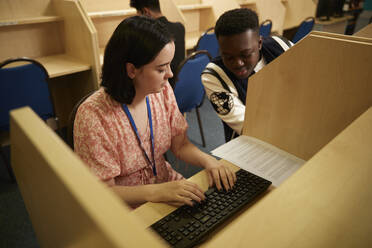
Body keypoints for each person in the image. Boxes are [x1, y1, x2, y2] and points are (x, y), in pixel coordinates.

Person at [74, 16, 236, 209]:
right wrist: (156, 192)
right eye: (161, 69)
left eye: (169, 65)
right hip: (125, 206)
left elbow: (181, 144)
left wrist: (210, 161)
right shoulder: (93, 115)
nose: (170, 74)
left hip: (166, 186)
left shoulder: (161, 90)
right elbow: (103, 191)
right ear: (132, 70)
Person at [201, 8, 293, 142]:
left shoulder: (280, 46)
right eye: (228, 57)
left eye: (246, 54)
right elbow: (249, 127)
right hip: (248, 141)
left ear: (259, 43)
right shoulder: (214, 75)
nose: (238, 63)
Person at [130, 0, 185, 88]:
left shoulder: (149, 35)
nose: (137, 17)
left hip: (160, 86)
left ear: (145, 12)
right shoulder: (180, 27)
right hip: (178, 82)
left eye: (138, 13)